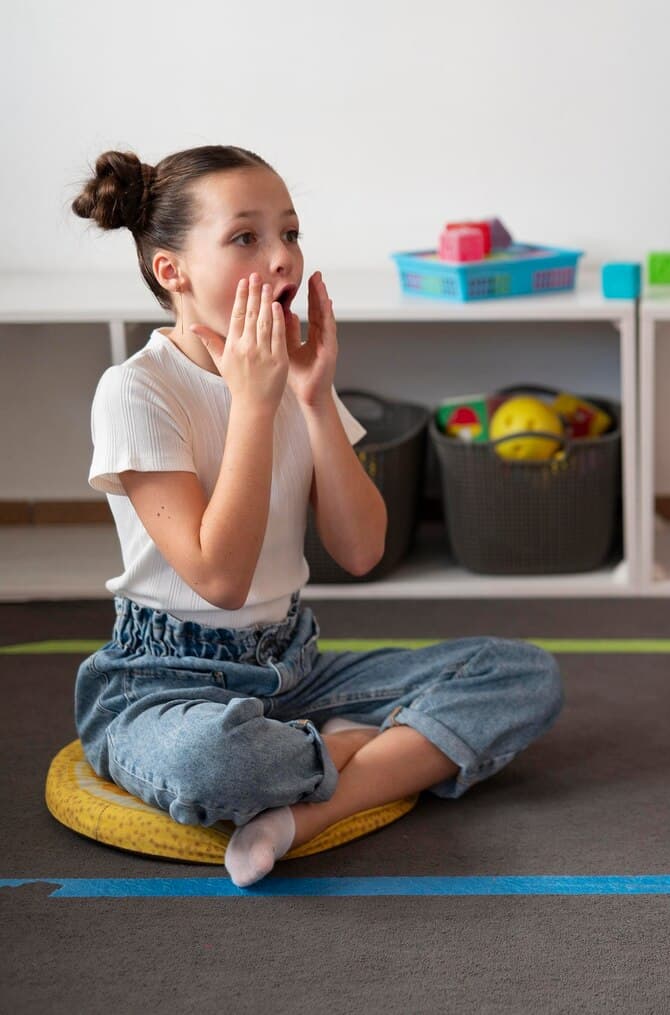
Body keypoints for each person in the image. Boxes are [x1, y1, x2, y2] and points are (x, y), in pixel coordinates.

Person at [71, 145, 563, 888]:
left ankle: (304, 813)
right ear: (173, 271)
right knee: (217, 762)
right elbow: (221, 580)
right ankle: (348, 748)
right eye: (246, 237)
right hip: (160, 684)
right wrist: (255, 403)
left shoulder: (289, 374)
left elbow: (361, 550)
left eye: (290, 233)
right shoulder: (136, 390)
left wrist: (311, 397)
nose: (283, 259)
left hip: (293, 667)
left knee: (523, 675)